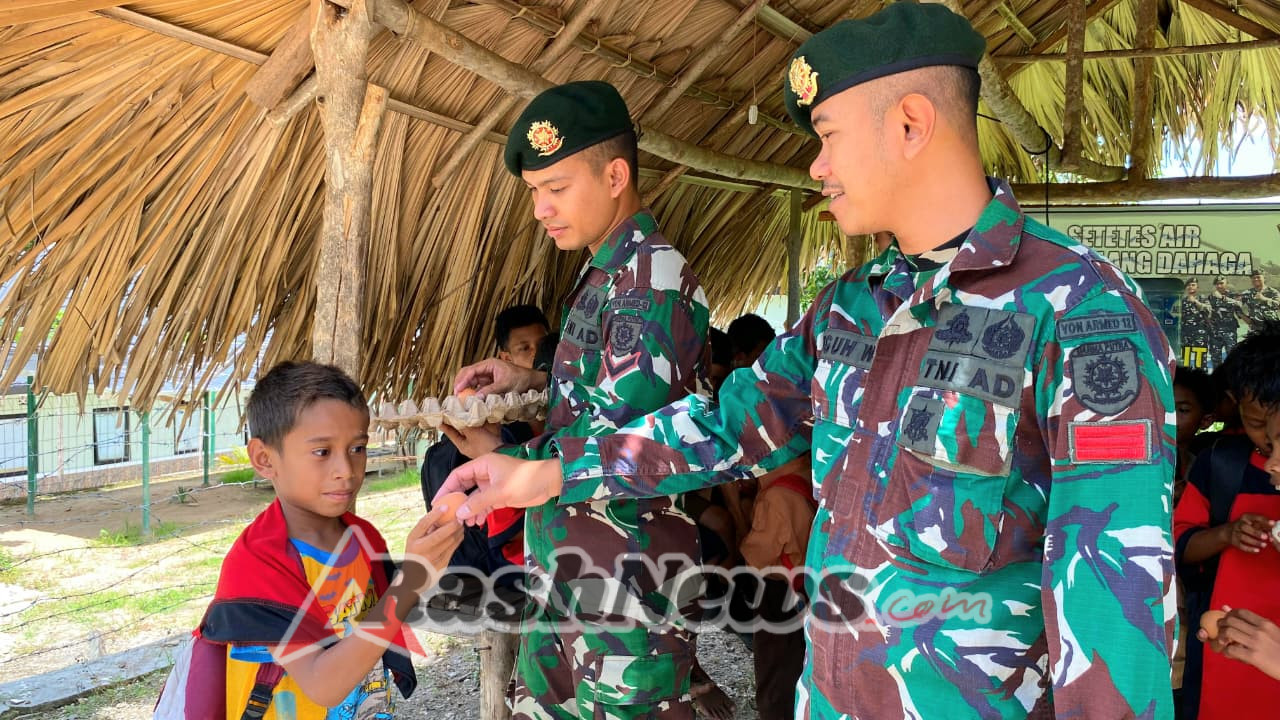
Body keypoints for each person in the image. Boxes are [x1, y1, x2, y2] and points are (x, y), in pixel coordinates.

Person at [440, 5, 1178, 718]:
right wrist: (550, 471)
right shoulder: (851, 307)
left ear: (911, 125)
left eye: (827, 135)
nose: (816, 166)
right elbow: (729, 424)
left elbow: (1115, 612)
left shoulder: (1078, 311)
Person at [449, 81, 711, 719]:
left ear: (616, 174)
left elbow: (624, 434)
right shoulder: (606, 276)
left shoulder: (654, 280)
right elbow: (595, 388)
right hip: (572, 563)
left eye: (556, 188)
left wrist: (511, 457)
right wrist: (529, 380)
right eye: (535, 191)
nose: (541, 208)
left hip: (626, 579)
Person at [198, 361, 463, 718]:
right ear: (264, 459)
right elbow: (324, 685)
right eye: (322, 452)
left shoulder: (364, 537)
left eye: (357, 448)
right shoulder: (259, 561)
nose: (346, 470)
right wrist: (412, 581)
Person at [1175, 320, 1280, 720]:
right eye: (1258, 425)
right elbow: (1181, 545)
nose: (1270, 447)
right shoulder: (1223, 465)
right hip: (1227, 649)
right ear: (1236, 403)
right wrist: (1227, 534)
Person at [421, 305, 550, 578]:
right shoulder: (503, 432)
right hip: (517, 563)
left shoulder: (565, 416)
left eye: (542, 345)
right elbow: (510, 538)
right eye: (524, 348)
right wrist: (495, 452)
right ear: (506, 359)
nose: (536, 354)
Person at [736, 455, 814, 720]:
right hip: (810, 583)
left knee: (776, 673)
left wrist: (741, 510)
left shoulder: (775, 497)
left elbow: (755, 556)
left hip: (780, 590)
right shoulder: (806, 469)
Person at [1207, 275, 1246, 368]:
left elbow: (1240, 305)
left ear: (1227, 284)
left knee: (1232, 357)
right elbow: (1207, 312)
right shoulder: (1211, 297)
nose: (1219, 286)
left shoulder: (1234, 295)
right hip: (1215, 332)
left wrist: (1222, 298)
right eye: (1217, 284)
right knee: (1215, 357)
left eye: (1221, 283)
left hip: (1229, 331)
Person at [1179, 278, 1213, 369]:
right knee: (1185, 361)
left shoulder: (1202, 298)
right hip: (1186, 334)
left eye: (1193, 285)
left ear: (1197, 287)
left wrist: (1195, 301)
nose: (1191, 287)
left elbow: (1208, 310)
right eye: (1189, 285)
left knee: (1200, 362)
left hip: (1199, 335)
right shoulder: (1182, 301)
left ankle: (1199, 381)